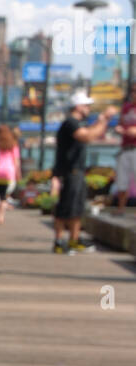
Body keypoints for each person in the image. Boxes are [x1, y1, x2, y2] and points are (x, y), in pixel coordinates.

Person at [53, 91, 118, 252]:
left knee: (77, 208)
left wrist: (100, 122)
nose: (89, 108)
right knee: (65, 208)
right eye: (87, 105)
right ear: (78, 106)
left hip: (78, 172)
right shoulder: (70, 123)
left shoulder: (76, 123)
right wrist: (104, 120)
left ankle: (74, 239)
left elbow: (90, 132)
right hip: (70, 172)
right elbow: (87, 136)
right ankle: (59, 241)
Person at [0, 125, 21, 224]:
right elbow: (16, 161)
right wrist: (18, 173)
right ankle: (1, 216)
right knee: (3, 196)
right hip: (8, 171)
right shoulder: (13, 144)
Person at [114, 82, 136, 212]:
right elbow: (120, 125)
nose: (134, 93)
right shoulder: (126, 107)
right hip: (125, 148)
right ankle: (120, 209)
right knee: (122, 181)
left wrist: (128, 131)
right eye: (133, 91)